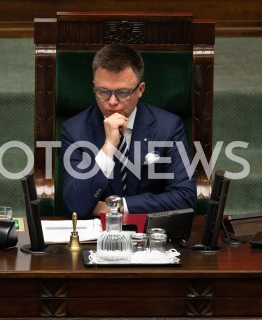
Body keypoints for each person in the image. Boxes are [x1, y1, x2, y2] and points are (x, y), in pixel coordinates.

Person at [60, 44, 197, 219]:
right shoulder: (74, 131)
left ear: (140, 90)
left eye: (122, 92)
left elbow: (185, 197)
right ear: (94, 86)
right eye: (103, 91)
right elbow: (76, 204)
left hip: (151, 234)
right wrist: (108, 148)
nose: (112, 101)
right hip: (98, 238)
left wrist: (119, 206)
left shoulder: (168, 127)